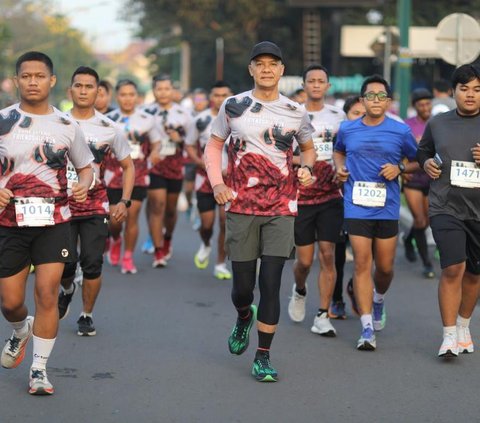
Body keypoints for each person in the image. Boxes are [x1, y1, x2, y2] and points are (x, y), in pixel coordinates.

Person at [204, 41, 315, 382]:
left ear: (282, 70)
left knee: (270, 283)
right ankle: (242, 316)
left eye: (273, 63)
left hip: (282, 206)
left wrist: (307, 169)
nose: (267, 69)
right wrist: (217, 183)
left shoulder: (296, 110)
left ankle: (263, 356)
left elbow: (308, 148)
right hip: (240, 205)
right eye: (260, 63)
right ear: (251, 69)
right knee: (242, 288)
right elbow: (213, 145)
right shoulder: (233, 105)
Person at [0, 51, 94, 395]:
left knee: (46, 293)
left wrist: (85, 184)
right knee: (10, 301)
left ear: (52, 81)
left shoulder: (67, 126)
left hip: (54, 220)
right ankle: (21, 330)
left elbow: (85, 166)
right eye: (26, 76)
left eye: (40, 76)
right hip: (8, 222)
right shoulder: (3, 119)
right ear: (16, 80)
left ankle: (39, 370)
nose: (33, 81)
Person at [334, 75, 418, 351]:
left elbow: (417, 158)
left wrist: (400, 169)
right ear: (362, 100)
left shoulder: (400, 131)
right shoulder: (348, 129)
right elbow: (338, 151)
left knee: (384, 268)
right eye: (370, 96)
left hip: (387, 206)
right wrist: (340, 168)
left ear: (389, 101)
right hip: (356, 204)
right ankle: (367, 327)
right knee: (361, 263)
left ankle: (379, 298)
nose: (376, 101)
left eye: (381, 96)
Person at [57, 67, 134, 336]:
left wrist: (124, 201)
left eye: (89, 87)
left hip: (95, 204)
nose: (83, 91)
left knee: (92, 262)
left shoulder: (109, 128)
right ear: (70, 90)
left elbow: (128, 165)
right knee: (65, 262)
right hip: (61, 205)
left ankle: (86, 314)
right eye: (78, 86)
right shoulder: (57, 121)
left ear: (98, 91)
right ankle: (67, 288)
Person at [416, 64, 480, 358]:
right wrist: (427, 163)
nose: (470, 95)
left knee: (475, 274)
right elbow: (424, 152)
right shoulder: (438, 123)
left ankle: (464, 325)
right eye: (464, 88)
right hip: (445, 206)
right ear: (452, 91)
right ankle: (449, 335)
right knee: (453, 267)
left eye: (477, 89)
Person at [287, 64, 345, 336]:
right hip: (302, 195)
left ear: (328, 86)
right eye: (312, 81)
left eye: (322, 81)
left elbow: (343, 150)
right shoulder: (292, 114)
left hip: (331, 195)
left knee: (328, 254)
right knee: (305, 262)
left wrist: (340, 168)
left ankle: (322, 314)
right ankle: (299, 290)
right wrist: (307, 161)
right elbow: (285, 155)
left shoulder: (338, 116)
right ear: (304, 84)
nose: (317, 85)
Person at [105, 79, 161, 274]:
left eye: (131, 94)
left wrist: (155, 152)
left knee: (132, 216)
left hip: (138, 173)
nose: (127, 99)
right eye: (123, 94)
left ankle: (128, 256)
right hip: (112, 175)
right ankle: (115, 238)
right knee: (114, 220)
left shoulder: (147, 119)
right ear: (117, 97)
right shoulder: (108, 119)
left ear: (137, 97)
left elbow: (157, 142)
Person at [143, 75, 192, 268]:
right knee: (157, 205)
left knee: (170, 210)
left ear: (173, 90)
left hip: (175, 165)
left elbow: (191, 141)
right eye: (159, 89)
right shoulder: (145, 113)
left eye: (166, 88)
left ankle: (168, 239)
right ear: (154, 91)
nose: (163, 92)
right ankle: (158, 251)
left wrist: (178, 138)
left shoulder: (184, 114)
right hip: (153, 165)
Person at [185, 81, 232, 280]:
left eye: (224, 95)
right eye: (216, 95)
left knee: (224, 223)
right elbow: (188, 146)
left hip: (229, 180)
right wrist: (200, 163)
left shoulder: (238, 119)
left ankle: (220, 263)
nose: (220, 99)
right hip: (204, 179)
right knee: (207, 224)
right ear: (210, 97)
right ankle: (206, 243)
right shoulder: (200, 120)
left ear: (230, 97)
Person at [332, 95, 366, 318]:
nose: (361, 118)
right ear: (346, 116)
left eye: (364, 114)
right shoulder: (341, 134)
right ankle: (336, 299)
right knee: (338, 253)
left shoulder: (381, 134)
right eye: (355, 113)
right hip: (340, 200)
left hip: (370, 203)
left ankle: (356, 286)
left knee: (366, 254)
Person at [403, 88, 435, 278]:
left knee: (429, 221)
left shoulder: (439, 123)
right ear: (415, 106)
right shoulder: (408, 126)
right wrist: (402, 169)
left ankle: (408, 238)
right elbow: (399, 149)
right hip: (413, 179)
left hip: (433, 179)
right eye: (421, 104)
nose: (425, 107)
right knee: (420, 220)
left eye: (428, 103)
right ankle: (427, 263)